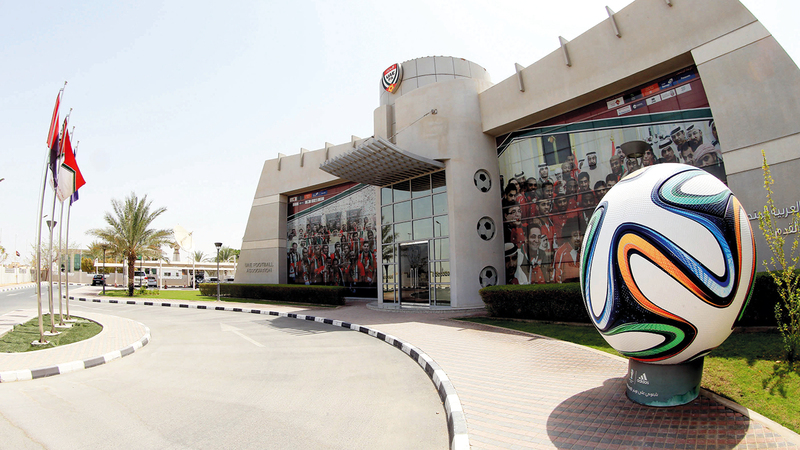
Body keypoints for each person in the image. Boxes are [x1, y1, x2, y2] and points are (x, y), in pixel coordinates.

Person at [552, 216, 583, 283]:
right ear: (569, 236)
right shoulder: (561, 252)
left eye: (580, 235)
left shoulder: (583, 251)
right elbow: (557, 277)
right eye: (575, 235)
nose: (578, 238)